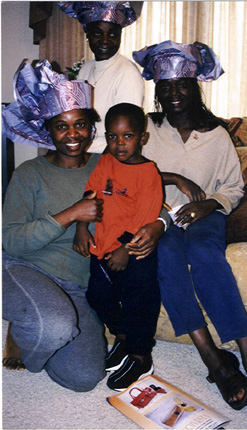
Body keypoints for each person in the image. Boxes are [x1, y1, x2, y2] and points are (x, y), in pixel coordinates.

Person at [133, 40, 247, 413]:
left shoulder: (217, 135)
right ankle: (212, 358)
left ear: (195, 88)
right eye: (166, 86)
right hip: (161, 217)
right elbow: (129, 172)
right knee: (166, 257)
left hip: (206, 216)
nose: (174, 93)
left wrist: (209, 204)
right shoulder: (147, 130)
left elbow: (234, 187)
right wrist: (170, 182)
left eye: (181, 85)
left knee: (204, 253)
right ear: (157, 90)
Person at [1, 60, 169, 391]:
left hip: (79, 285)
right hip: (27, 269)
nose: (73, 134)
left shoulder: (107, 162)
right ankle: (28, 325)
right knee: (54, 327)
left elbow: (150, 194)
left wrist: (161, 223)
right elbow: (10, 242)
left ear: (92, 131)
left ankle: (35, 321)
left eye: (80, 124)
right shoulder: (29, 174)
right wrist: (72, 214)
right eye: (61, 126)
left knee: (85, 378)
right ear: (48, 131)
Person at [73, 103, 163, 391]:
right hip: (102, 248)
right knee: (97, 296)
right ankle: (122, 337)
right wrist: (81, 227)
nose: (119, 143)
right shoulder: (105, 162)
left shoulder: (149, 172)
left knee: (139, 303)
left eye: (128, 136)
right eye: (113, 136)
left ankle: (140, 355)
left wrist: (125, 249)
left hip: (135, 252)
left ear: (142, 138)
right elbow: (91, 194)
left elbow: (146, 216)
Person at [58, 1, 145, 154]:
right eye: (98, 33)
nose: (105, 40)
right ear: (88, 35)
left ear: (120, 36)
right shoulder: (86, 68)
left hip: (108, 157)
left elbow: (126, 136)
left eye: (113, 34)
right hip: (81, 152)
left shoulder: (127, 73)